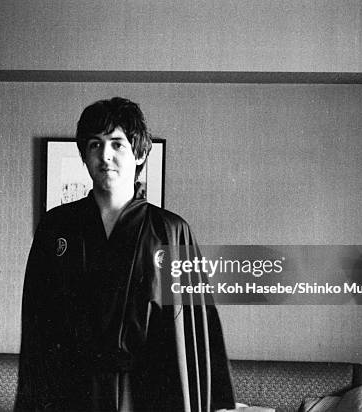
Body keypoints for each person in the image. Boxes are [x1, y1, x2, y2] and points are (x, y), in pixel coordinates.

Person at [16, 97, 235, 411]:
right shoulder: (56, 227)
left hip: (145, 393)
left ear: (139, 153)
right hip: (71, 391)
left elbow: (191, 334)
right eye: (95, 144)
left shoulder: (170, 231)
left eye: (117, 144)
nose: (105, 156)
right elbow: (39, 326)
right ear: (84, 154)